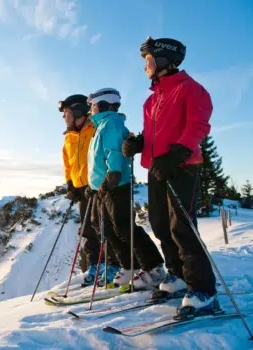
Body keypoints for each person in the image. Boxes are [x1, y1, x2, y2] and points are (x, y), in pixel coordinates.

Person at [122, 37, 216, 310]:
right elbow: (155, 134)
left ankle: (203, 289)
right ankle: (176, 276)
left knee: (182, 227)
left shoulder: (191, 89)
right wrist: (140, 143)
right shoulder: (153, 99)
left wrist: (177, 154)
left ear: (163, 60)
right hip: (157, 167)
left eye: (147, 60)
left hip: (181, 166)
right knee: (160, 224)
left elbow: (199, 125)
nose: (144, 67)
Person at [86, 88, 165, 289]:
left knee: (124, 227)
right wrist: (93, 185)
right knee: (111, 230)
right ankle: (130, 265)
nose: (91, 110)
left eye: (92, 106)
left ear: (102, 105)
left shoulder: (111, 124)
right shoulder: (102, 126)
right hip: (103, 188)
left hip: (116, 185)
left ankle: (154, 267)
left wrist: (113, 174)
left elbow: (113, 152)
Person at [59, 94, 120, 285]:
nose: (64, 118)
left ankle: (114, 264)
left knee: (104, 227)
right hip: (81, 190)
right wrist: (71, 184)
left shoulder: (94, 129)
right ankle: (96, 265)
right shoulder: (69, 137)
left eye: (66, 113)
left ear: (78, 112)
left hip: (98, 186)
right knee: (88, 230)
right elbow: (67, 164)